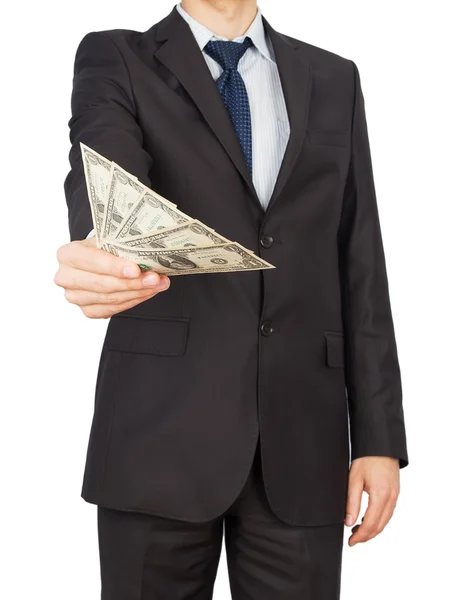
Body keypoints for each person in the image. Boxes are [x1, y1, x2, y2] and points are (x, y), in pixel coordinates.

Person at [54, 1, 408, 598]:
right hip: (159, 435)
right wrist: (104, 249)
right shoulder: (117, 55)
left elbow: (360, 259)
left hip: (304, 439)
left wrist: (379, 439)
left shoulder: (334, 77)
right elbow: (105, 170)